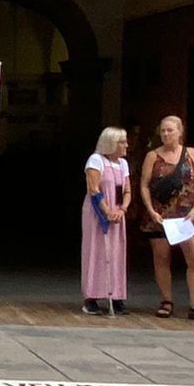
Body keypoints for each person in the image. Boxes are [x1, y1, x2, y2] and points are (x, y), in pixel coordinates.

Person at [139, 115, 194, 322]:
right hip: (160, 215)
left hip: (185, 214)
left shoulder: (191, 154)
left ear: (180, 132)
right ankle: (166, 300)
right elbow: (144, 184)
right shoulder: (152, 156)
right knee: (162, 258)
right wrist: (151, 210)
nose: (165, 134)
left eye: (170, 130)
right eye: (163, 131)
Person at [82, 127, 131, 316]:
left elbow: (127, 190)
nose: (126, 145)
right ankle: (91, 297)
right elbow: (94, 188)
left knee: (117, 252)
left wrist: (122, 209)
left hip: (118, 213)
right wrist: (107, 211)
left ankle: (116, 295)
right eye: (122, 142)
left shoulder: (123, 164)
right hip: (98, 212)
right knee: (96, 250)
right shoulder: (96, 160)